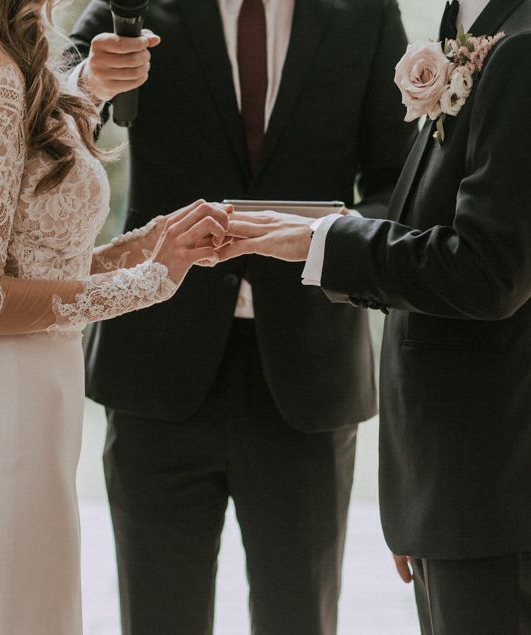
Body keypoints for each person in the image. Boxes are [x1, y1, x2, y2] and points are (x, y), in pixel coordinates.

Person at [70, 1, 415, 633]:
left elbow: (398, 181)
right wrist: (87, 83)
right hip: (156, 368)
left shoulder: (365, 12)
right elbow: (46, 122)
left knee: (300, 619)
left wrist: (325, 238)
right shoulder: (134, 4)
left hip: (309, 374)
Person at [0, 0, 229, 632]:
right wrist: (148, 283)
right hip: (5, 426)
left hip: (24, 413)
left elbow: (30, 263)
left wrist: (154, 243)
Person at [218, 0, 531, 632]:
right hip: (455, 483)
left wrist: (328, 243)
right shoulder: (472, 32)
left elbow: (490, 271)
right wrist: (324, 233)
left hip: (491, 485)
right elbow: (433, 230)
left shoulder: (521, 51)